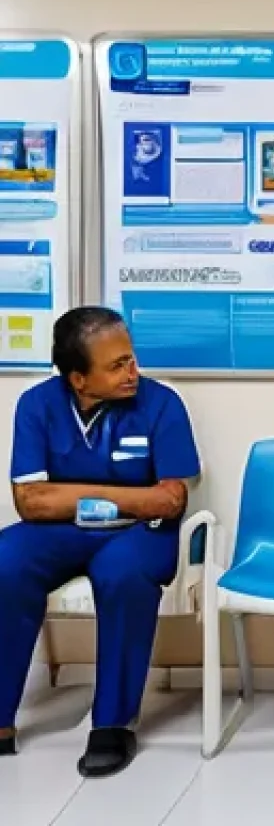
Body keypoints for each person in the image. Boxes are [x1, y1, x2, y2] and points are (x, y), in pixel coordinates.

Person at [0, 307, 200, 777]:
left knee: (122, 573)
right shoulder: (37, 405)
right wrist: (131, 496)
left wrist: (71, 494)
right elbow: (31, 502)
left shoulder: (162, 404)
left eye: (131, 359)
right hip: (59, 533)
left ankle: (112, 723)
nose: (132, 372)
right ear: (79, 379)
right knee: (5, 562)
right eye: (116, 365)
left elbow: (170, 499)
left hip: (141, 534)